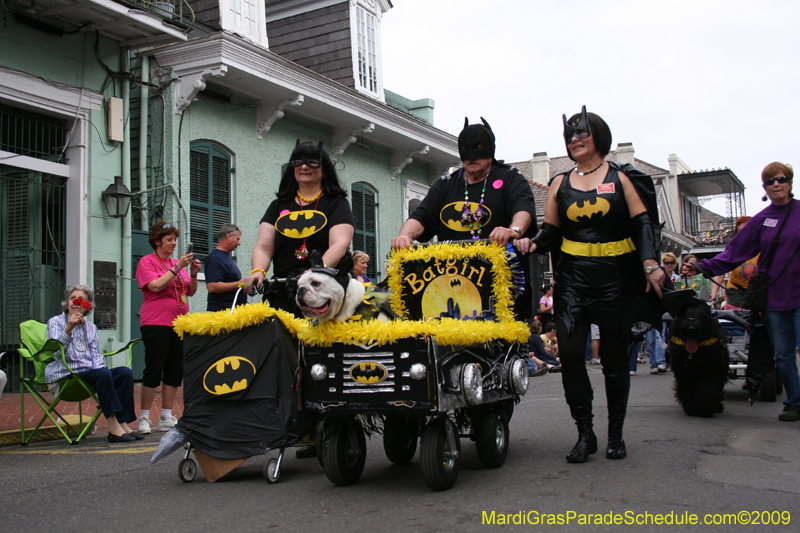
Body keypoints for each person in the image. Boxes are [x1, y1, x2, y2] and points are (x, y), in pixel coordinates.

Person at [518, 105, 664, 463]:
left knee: (615, 359)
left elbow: (643, 222)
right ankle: (585, 433)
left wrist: (649, 263)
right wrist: (533, 243)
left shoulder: (621, 176)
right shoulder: (559, 183)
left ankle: (616, 435)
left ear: (598, 136)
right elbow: (551, 230)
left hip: (616, 278)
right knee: (569, 357)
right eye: (570, 136)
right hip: (573, 283)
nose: (575, 140)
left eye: (582, 133)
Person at [685, 162, 800, 422]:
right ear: (765, 188)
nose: (777, 184)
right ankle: (795, 403)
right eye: (770, 181)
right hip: (775, 300)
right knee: (782, 355)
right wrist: (702, 266)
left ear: (790, 182)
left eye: (781, 179)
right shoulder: (761, 220)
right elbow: (735, 252)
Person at [391, 117, 537, 318]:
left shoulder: (510, 178)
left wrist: (514, 230)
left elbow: (523, 207)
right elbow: (421, 216)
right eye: (465, 151)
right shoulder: (446, 185)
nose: (472, 157)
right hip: (452, 282)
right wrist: (404, 236)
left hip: (499, 284)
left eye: (478, 149)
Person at [243, 141, 354, 316]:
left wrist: (317, 272)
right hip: (283, 292)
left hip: (325, 293)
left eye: (312, 162)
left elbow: (340, 243)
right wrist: (258, 270)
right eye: (298, 162)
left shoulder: (337, 204)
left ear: (324, 170)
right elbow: (264, 246)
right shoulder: (277, 206)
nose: (304, 166)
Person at [45, 285, 143, 442]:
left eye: (81, 300)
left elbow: (96, 355)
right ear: (67, 302)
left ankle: (123, 423)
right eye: (73, 299)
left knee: (124, 372)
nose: (76, 303)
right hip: (66, 375)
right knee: (102, 374)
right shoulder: (55, 322)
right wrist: (69, 328)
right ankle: (113, 427)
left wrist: (104, 369)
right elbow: (55, 352)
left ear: (87, 305)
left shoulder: (90, 327)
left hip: (90, 374)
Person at [135, 221, 201, 435]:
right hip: (156, 322)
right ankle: (144, 417)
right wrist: (178, 267)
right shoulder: (147, 262)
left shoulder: (176, 263)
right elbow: (155, 286)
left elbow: (189, 292)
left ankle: (165, 415)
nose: (173, 243)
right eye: (169, 240)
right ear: (157, 242)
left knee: (174, 371)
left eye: (174, 239)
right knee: (154, 369)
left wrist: (191, 274)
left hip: (179, 322)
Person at [716, 217, 759, 310]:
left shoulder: (763, 248)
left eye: (746, 230)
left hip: (758, 291)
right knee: (737, 320)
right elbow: (720, 270)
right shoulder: (731, 250)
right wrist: (713, 292)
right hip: (736, 290)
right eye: (740, 231)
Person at [205, 223, 247, 312]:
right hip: (221, 315)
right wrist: (239, 284)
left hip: (229, 313)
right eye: (237, 239)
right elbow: (212, 286)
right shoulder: (215, 258)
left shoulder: (225, 257)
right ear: (228, 237)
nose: (239, 243)